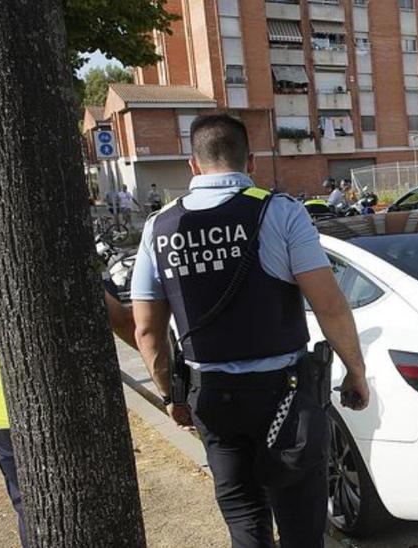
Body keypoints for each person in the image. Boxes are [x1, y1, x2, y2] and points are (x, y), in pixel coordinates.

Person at [131, 113, 370, 548]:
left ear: (193, 164)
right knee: (300, 524)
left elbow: (147, 331)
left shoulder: (159, 226)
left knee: (245, 523)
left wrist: (172, 397)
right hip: (285, 395)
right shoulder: (280, 211)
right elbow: (330, 305)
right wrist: (356, 371)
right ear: (251, 161)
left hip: (212, 398)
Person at [0, 235, 138, 548]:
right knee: (77, 506)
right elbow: (119, 319)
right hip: (44, 405)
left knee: (30, 507)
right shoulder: (35, 242)